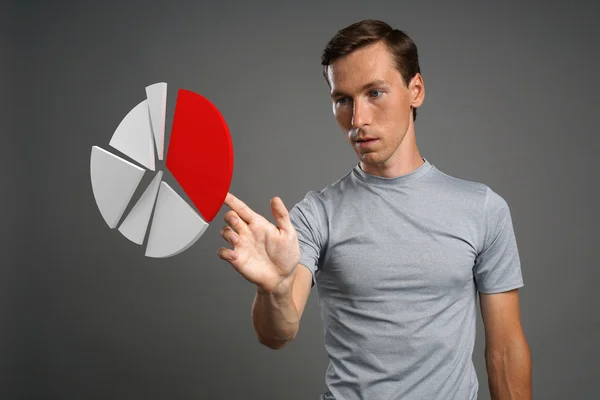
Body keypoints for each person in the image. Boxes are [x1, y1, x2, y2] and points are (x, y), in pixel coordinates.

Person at [217, 19, 532, 400]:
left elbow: (504, 351)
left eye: (375, 93)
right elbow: (276, 334)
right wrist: (274, 290)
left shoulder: (482, 209)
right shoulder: (315, 215)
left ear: (415, 90)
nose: (357, 120)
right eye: (342, 100)